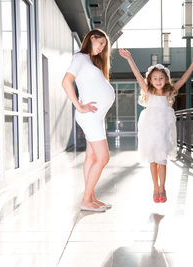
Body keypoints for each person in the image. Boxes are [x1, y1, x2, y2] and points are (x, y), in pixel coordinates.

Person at [119, 48, 193, 203]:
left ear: (166, 79)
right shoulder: (148, 91)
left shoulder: (169, 91)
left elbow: (183, 79)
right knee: (153, 161)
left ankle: (163, 187)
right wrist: (129, 58)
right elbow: (136, 75)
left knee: (162, 160)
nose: (158, 80)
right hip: (150, 128)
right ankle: (155, 187)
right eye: (154, 78)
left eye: (161, 78)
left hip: (163, 128)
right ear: (150, 80)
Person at [62, 29, 115, 212]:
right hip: (90, 116)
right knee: (103, 157)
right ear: (92, 37)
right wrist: (78, 105)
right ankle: (86, 200)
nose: (101, 49)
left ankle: (92, 197)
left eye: (104, 47)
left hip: (95, 117)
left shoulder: (89, 62)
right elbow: (66, 81)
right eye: (101, 44)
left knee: (91, 157)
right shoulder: (81, 58)